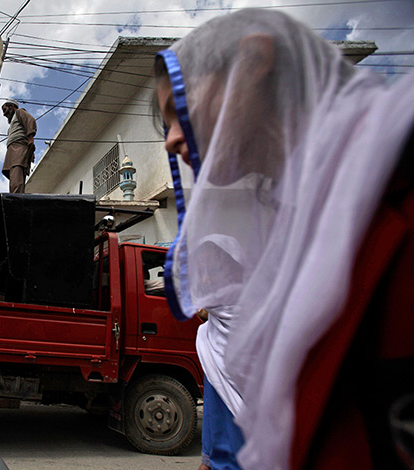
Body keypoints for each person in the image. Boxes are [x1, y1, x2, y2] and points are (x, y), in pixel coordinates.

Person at [153, 9, 414, 470]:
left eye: (179, 110)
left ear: (255, 60)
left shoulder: (394, 193)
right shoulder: (301, 228)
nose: (172, 140)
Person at [1, 99, 36, 193]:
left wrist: (31, 138)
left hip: (19, 147)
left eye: (5, 110)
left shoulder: (19, 112)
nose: (4, 114)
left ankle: (16, 197)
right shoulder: (11, 125)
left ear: (11, 106)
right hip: (11, 149)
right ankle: (14, 194)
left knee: (17, 171)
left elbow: (30, 120)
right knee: (12, 174)